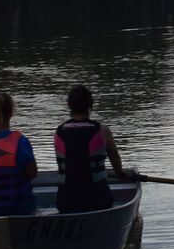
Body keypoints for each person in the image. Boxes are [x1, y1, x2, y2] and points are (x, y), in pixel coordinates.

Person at [54, 85, 131, 214]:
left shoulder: (58, 132)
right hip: (98, 200)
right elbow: (116, 160)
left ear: (69, 106)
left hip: (66, 200)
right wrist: (120, 174)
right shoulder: (103, 131)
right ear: (90, 105)